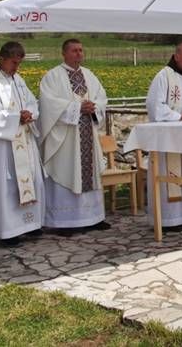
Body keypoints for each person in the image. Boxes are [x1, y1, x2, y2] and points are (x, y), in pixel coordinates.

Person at [0, 41, 45, 245]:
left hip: (23, 137)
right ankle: (9, 230)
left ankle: (30, 224)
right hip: (3, 145)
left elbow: (32, 101)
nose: (16, 67)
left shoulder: (18, 79)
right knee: (7, 185)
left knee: (30, 179)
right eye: (14, 63)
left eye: (19, 63)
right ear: (2, 59)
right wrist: (15, 118)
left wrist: (30, 113)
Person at [39, 39, 110, 235]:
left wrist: (94, 106)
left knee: (90, 173)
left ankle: (93, 218)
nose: (79, 54)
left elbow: (102, 97)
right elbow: (48, 104)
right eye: (74, 50)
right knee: (66, 171)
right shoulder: (52, 77)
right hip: (66, 138)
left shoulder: (89, 75)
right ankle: (64, 222)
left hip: (88, 132)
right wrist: (77, 107)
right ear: (64, 53)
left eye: (81, 50)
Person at [145, 42, 182, 230]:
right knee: (168, 175)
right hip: (169, 137)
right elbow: (155, 106)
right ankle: (170, 219)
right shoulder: (164, 76)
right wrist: (179, 116)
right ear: (177, 56)